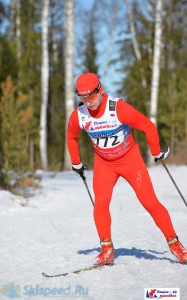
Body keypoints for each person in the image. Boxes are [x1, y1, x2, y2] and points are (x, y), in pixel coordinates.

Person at [67, 72, 187, 265]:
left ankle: (176, 245)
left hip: (130, 160)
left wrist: (156, 152)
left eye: (90, 97)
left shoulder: (117, 108)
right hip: (105, 163)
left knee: (150, 202)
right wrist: (76, 162)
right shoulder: (79, 115)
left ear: (100, 90)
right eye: (82, 97)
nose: (88, 102)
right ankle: (106, 249)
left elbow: (148, 126)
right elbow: (71, 136)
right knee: (101, 204)